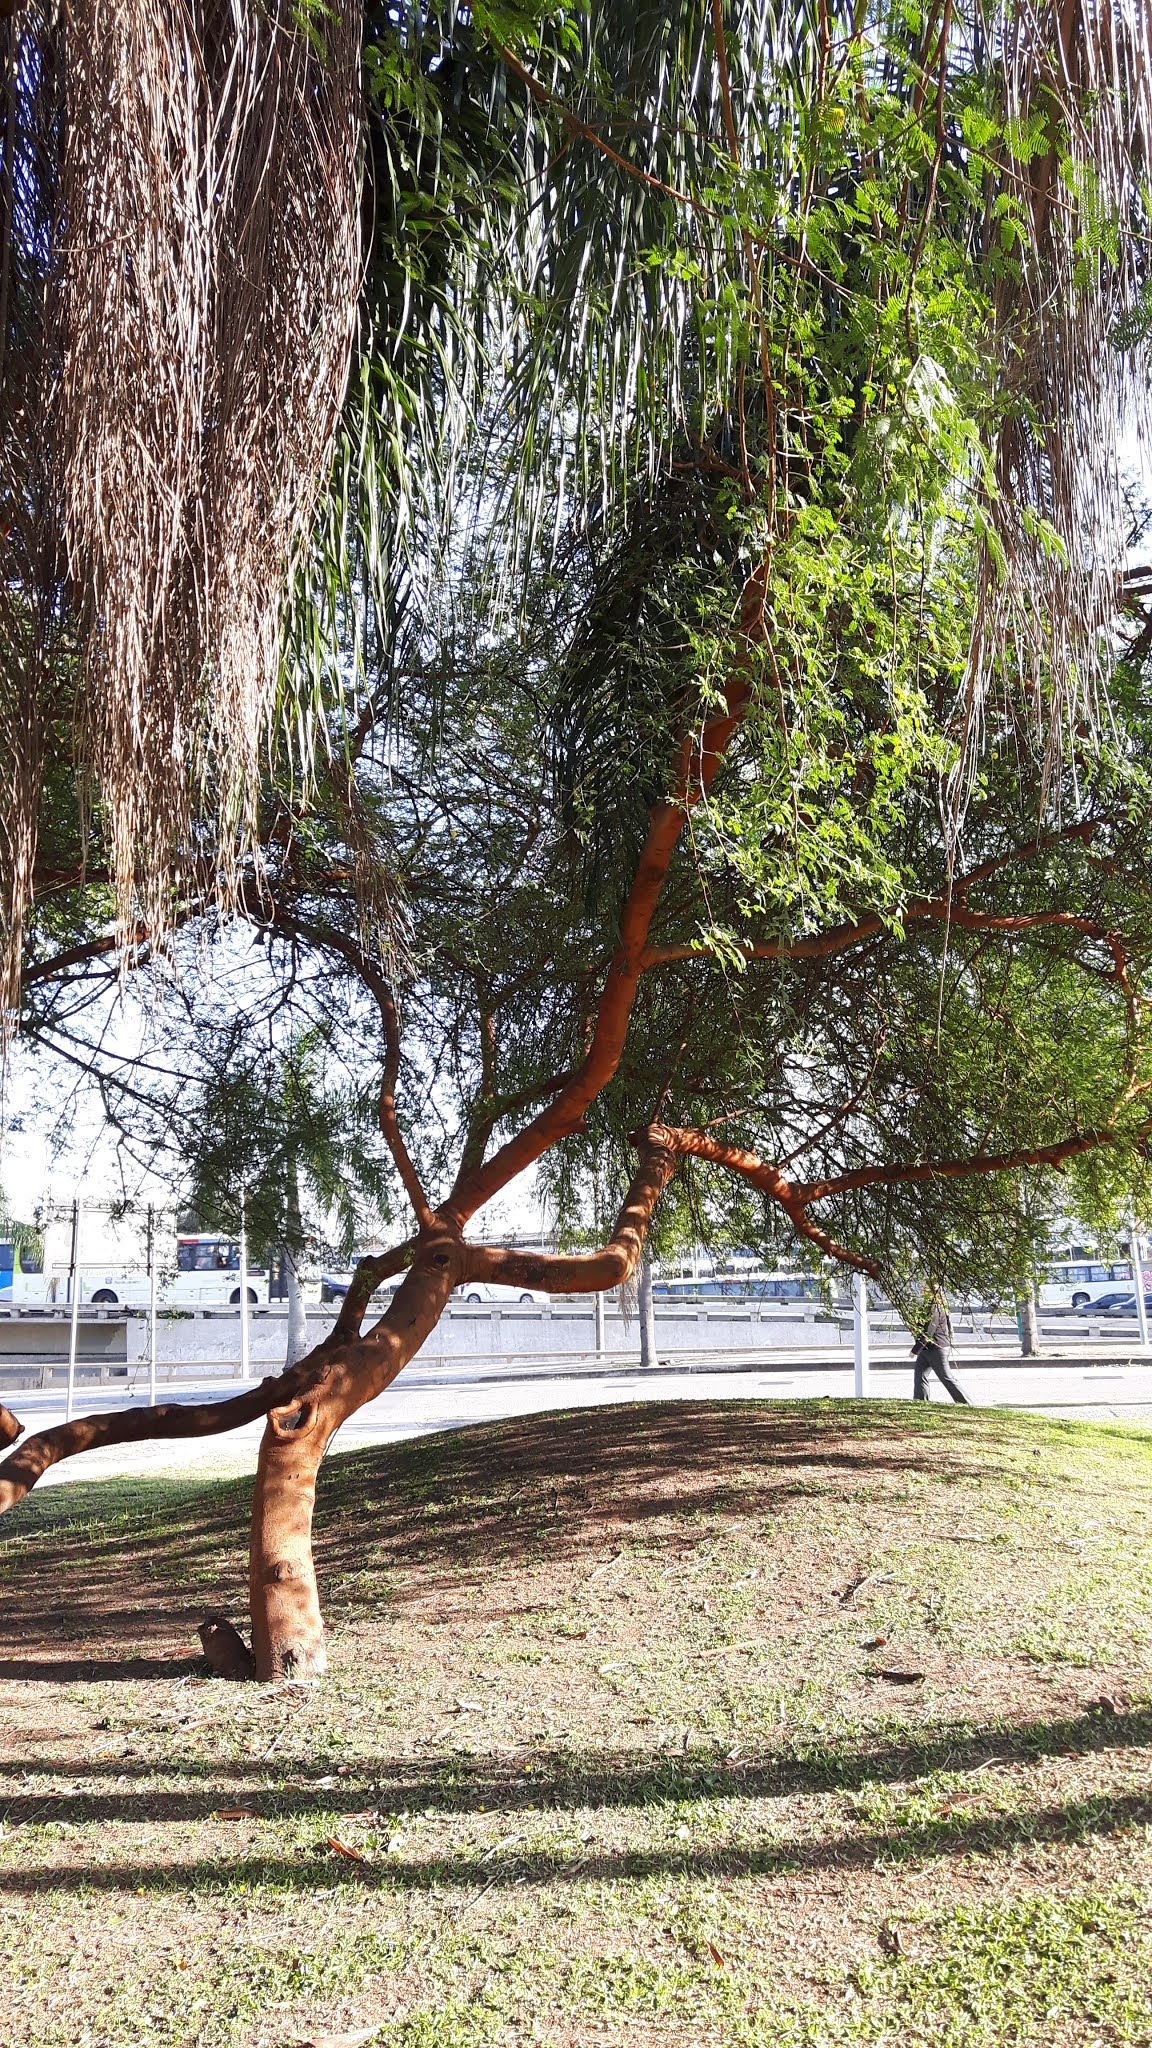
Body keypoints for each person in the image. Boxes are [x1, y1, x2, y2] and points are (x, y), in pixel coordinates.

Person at [911, 1288, 968, 1403]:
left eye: (925, 1289)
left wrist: (915, 1350)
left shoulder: (935, 1308)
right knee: (920, 1375)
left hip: (937, 1348)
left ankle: (966, 1403)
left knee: (946, 1378)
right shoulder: (927, 1307)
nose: (921, 1291)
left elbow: (929, 1331)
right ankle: (920, 1402)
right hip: (927, 1348)